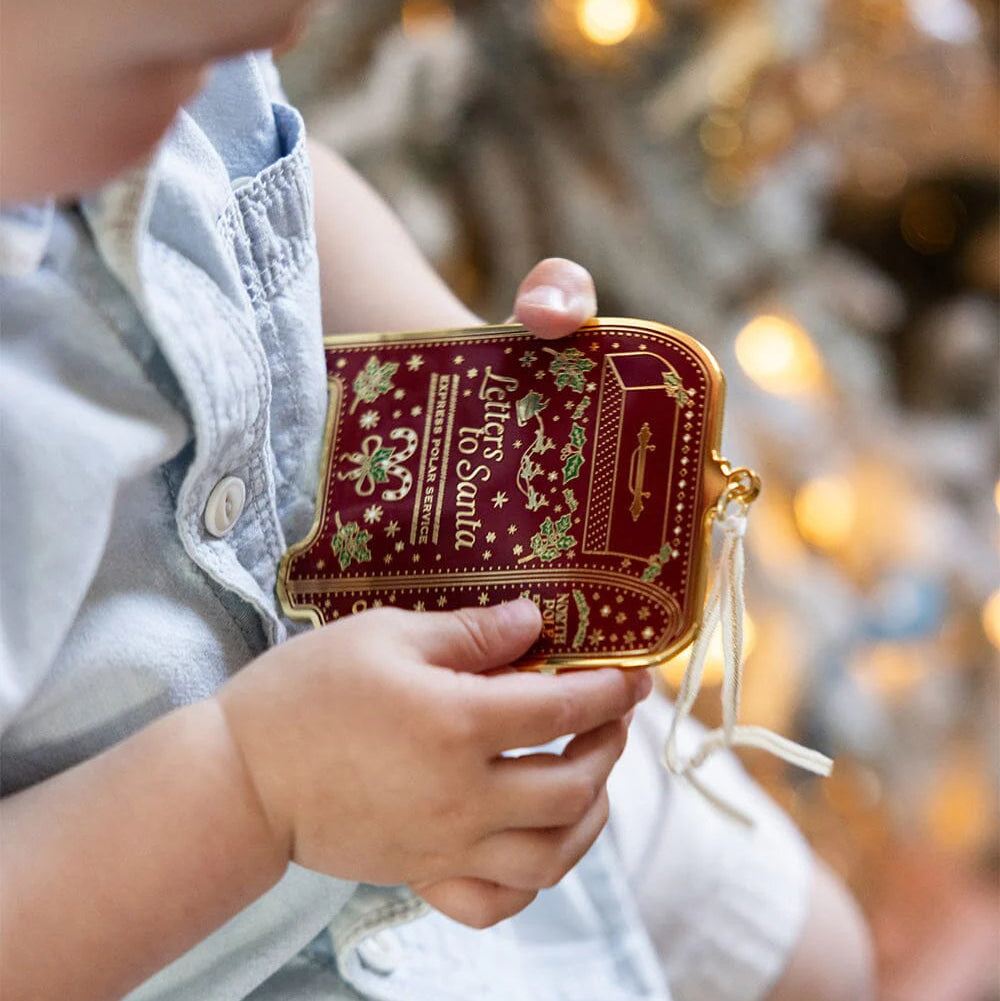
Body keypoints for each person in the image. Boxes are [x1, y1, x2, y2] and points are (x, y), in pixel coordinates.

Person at [0, 2, 874, 1000]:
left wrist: (460, 362)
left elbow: (284, 189)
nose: (286, 35)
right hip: (202, 936)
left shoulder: (142, 62)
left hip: (450, 678)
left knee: (823, 959)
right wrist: (254, 788)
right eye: (174, 56)